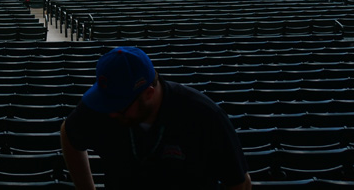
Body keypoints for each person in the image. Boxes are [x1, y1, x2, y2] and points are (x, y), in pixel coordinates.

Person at [60, 46, 251, 190]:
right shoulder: (103, 105)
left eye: (120, 107)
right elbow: (69, 134)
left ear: (149, 93)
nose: (111, 112)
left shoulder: (204, 115)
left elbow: (239, 182)